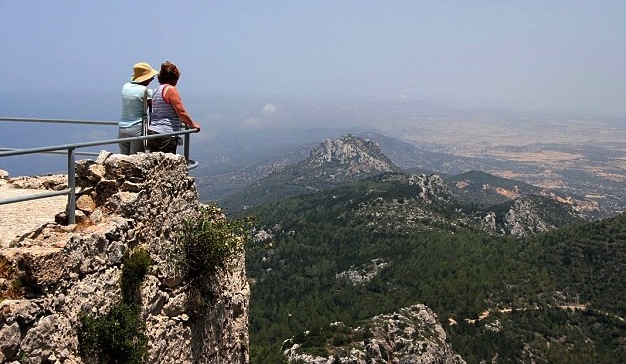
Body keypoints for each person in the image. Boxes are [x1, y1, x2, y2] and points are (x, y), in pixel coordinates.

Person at [147, 61, 201, 154]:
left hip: (153, 132)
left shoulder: (156, 90)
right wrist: (192, 124)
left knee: (156, 164)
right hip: (166, 133)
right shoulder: (170, 89)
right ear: (174, 78)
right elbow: (181, 112)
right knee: (166, 164)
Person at [118, 62, 159, 155]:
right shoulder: (146, 91)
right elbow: (154, 106)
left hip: (122, 128)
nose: (152, 79)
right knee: (135, 160)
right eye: (151, 77)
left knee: (123, 160)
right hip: (137, 128)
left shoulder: (125, 87)